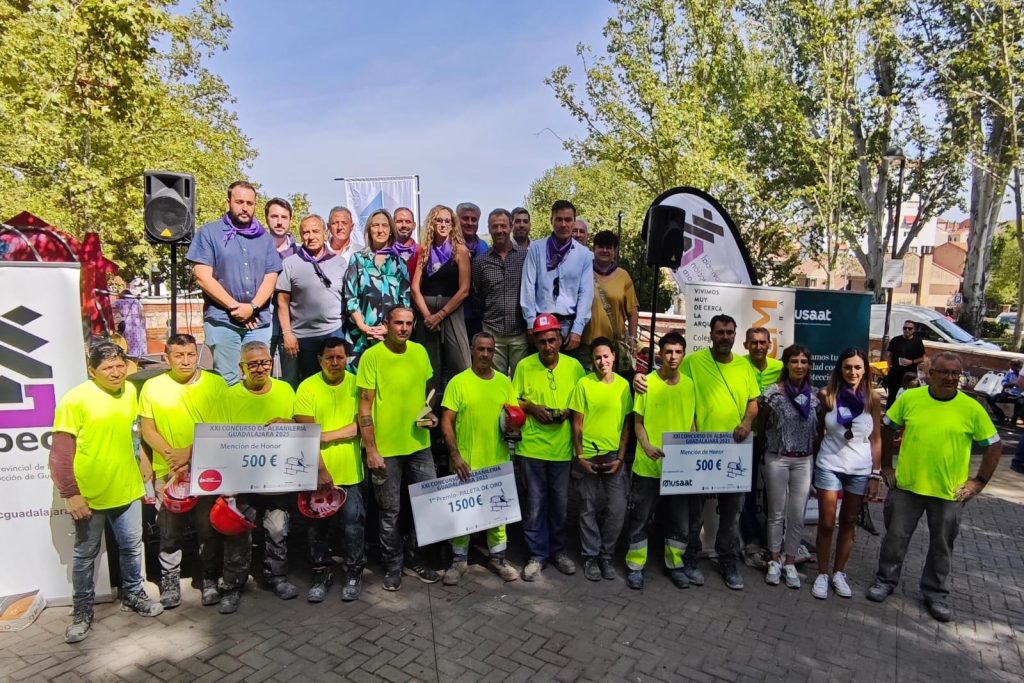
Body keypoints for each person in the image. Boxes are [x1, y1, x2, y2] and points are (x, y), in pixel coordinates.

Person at [868, 352, 1001, 622]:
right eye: (944, 372)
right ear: (930, 374)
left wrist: (979, 482)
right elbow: (887, 427)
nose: (951, 378)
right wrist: (886, 466)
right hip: (907, 486)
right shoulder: (910, 399)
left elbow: (994, 445)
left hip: (949, 492)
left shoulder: (971, 408)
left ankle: (935, 593)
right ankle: (885, 581)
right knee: (895, 539)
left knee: (942, 546)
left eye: (956, 373)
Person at [50, 343, 163, 643]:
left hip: (126, 488)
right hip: (90, 494)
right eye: (107, 368)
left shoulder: (129, 392)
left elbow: (132, 431)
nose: (115, 373)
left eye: (119, 365)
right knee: (85, 555)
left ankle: (133, 594)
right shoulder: (75, 400)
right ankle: (82, 611)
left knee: (131, 547)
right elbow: (60, 455)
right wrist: (71, 494)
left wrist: (142, 461)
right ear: (91, 371)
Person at [138, 335, 235, 612]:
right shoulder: (152, 387)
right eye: (178, 355)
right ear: (166, 357)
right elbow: (148, 429)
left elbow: (221, 428)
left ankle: (209, 578)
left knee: (207, 529)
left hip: (206, 471)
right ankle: (170, 581)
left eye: (191, 354)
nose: (185, 360)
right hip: (167, 472)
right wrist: (173, 458)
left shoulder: (216, 385)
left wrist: (188, 455)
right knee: (169, 531)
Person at [356, 306, 440, 590]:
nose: (403, 328)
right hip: (386, 449)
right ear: (386, 325)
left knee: (427, 505)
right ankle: (393, 565)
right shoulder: (372, 356)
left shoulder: (419, 352)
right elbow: (364, 406)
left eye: (408, 323)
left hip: (419, 445)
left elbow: (428, 393)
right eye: (398, 323)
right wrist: (370, 449)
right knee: (389, 512)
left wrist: (430, 413)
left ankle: (417, 558)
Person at [673, 315, 759, 590]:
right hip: (701, 448)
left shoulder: (744, 367)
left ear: (736, 335)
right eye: (720, 332)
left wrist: (746, 423)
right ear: (710, 334)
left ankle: (728, 561)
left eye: (729, 332)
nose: (725, 337)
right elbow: (681, 395)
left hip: (734, 450)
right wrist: (692, 426)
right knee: (694, 511)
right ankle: (691, 559)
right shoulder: (693, 362)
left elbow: (753, 403)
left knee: (732, 512)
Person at [440, 332, 521, 584]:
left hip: (497, 460)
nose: (485, 354)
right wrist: (455, 455)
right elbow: (446, 420)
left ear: (494, 352)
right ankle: (458, 562)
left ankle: (498, 559)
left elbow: (513, 417)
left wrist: (513, 428)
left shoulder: (504, 383)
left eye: (490, 350)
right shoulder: (458, 382)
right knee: (462, 515)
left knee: (498, 514)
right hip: (466, 462)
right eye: (481, 349)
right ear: (472, 350)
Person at [512, 313, 586, 581]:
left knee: (560, 504)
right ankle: (537, 555)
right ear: (534, 341)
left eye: (552, 340)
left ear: (560, 338)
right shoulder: (524, 366)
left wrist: (568, 411)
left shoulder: (575, 367)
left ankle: (559, 551)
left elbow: (583, 401)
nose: (548, 347)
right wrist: (531, 407)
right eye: (542, 341)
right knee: (534, 504)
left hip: (562, 449)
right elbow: (512, 400)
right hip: (531, 448)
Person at [187, 181, 282, 385]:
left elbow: (271, 276)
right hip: (223, 320)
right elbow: (202, 276)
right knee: (227, 380)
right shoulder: (209, 233)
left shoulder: (264, 238)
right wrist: (235, 307)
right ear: (228, 202)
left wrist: (252, 307)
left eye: (250, 202)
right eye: (239, 202)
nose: (245, 207)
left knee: (258, 379)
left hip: (258, 321)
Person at [223, 341, 297, 602]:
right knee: (239, 533)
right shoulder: (229, 396)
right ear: (241, 367)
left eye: (264, 362)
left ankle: (277, 577)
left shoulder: (286, 390)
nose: (260, 368)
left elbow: (301, 426)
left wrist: (288, 423)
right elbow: (217, 439)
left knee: (277, 529)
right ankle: (233, 585)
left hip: (278, 479)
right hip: (242, 481)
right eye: (252, 364)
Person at [294, 338, 366, 602]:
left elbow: (361, 426)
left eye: (340, 357)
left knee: (353, 526)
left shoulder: (357, 385)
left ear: (347, 358)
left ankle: (354, 573)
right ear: (319, 360)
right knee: (318, 530)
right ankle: (321, 574)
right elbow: (305, 434)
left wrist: (324, 436)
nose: (335, 363)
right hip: (317, 473)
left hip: (350, 473)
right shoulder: (307, 387)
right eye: (329, 358)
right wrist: (321, 470)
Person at [625, 332, 697, 590]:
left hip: (678, 469)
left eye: (678, 352)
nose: (673, 357)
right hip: (647, 466)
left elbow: (691, 422)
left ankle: (675, 565)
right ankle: (635, 566)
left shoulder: (689, 385)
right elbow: (638, 424)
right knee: (640, 518)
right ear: (660, 354)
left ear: (684, 354)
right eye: (668, 352)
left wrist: (689, 450)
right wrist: (646, 446)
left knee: (679, 520)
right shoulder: (646, 384)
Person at [812, 348, 882, 600]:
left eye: (857, 367)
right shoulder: (826, 395)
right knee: (827, 523)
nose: (852, 372)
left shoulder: (872, 399)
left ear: (865, 370)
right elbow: (819, 431)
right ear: (839, 370)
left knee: (849, 523)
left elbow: (875, 438)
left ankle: (839, 573)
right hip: (829, 465)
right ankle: (822, 573)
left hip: (860, 470)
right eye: (847, 367)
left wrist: (875, 475)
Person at [568, 337, 633, 581]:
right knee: (587, 508)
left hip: (614, 457)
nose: (602, 361)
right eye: (597, 357)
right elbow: (577, 424)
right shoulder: (583, 384)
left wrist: (620, 457)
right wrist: (580, 456)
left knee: (617, 508)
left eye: (606, 356)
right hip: (588, 456)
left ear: (614, 356)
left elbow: (626, 425)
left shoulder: (624, 386)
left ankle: (607, 556)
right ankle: (590, 556)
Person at [760, 344, 819, 590]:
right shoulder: (772, 394)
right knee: (776, 513)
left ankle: (791, 561)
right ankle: (774, 560)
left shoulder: (816, 395)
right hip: (777, 458)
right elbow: (762, 425)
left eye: (804, 362)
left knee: (797, 515)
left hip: (804, 460)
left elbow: (819, 431)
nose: (799, 366)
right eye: (794, 361)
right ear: (786, 364)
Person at [276, 214, 348, 386]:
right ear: (301, 236)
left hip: (334, 333)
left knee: (334, 383)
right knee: (304, 386)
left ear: (325, 233)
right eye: (306, 233)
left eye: (315, 231)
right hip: (301, 338)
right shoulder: (290, 263)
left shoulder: (340, 263)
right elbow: (282, 301)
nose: (311, 237)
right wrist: (287, 334)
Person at [520, 200, 594, 359]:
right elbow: (528, 286)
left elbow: (585, 294)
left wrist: (577, 329)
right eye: (559, 219)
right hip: (541, 323)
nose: (563, 224)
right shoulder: (536, 249)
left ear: (574, 221)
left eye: (568, 220)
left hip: (568, 326)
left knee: (566, 377)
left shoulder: (584, 255)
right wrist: (530, 322)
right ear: (551, 221)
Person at [410, 204, 472, 384]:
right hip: (426, 312)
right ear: (432, 223)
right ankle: (429, 410)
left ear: (453, 225)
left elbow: (464, 290)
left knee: (461, 364)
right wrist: (429, 316)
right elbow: (415, 288)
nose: (443, 224)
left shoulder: (460, 250)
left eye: (447, 221)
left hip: (451, 309)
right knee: (428, 368)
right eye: (439, 220)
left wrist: (441, 315)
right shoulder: (424, 251)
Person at [739, 327, 784, 566]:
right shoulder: (738, 365)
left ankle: (774, 538)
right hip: (744, 438)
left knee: (772, 490)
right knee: (745, 490)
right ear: (746, 345)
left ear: (770, 345)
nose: (758, 346)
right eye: (754, 342)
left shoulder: (780, 369)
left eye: (763, 342)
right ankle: (751, 539)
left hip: (772, 439)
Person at [343, 209, 411, 368]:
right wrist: (363, 326)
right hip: (360, 335)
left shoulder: (399, 263)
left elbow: (405, 302)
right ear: (369, 230)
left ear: (391, 231)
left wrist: (388, 328)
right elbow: (350, 297)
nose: (380, 230)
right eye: (375, 225)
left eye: (385, 226)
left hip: (390, 335)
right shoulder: (358, 259)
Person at [471, 208, 529, 376]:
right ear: (489, 229)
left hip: (520, 331)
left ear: (511, 226)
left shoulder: (525, 256)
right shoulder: (480, 261)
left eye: (503, 226)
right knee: (494, 380)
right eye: (494, 226)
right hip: (492, 331)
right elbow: (476, 294)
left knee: (521, 381)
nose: (499, 231)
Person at [581, 230, 638, 373]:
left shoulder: (623, 276)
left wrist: (632, 338)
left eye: (609, 247)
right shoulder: (583, 272)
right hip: (585, 346)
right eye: (601, 247)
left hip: (612, 347)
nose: (604, 250)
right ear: (594, 249)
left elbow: (632, 310)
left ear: (614, 250)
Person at [265, 198, 298, 382]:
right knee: (260, 373)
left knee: (291, 377)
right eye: (274, 216)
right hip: (263, 321)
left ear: (290, 220)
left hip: (291, 324)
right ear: (267, 218)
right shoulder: (257, 248)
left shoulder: (300, 252)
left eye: (284, 217)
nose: (279, 221)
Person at [457, 202, 489, 341]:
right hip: (456, 313)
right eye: (465, 218)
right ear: (457, 220)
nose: (470, 223)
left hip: (479, 316)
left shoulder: (485, 247)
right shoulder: (450, 246)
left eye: (474, 219)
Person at [884, 320, 926, 409]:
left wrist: (911, 361)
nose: (907, 330)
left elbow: (922, 358)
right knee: (892, 395)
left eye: (909, 328)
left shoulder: (917, 342)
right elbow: (889, 355)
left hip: (910, 375)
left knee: (908, 396)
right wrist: (889, 367)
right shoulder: (895, 340)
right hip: (895, 373)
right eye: (905, 328)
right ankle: (888, 417)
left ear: (914, 330)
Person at [984, 359, 1023, 425]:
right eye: (1011, 367)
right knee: (990, 398)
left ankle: (1013, 421)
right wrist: (1010, 384)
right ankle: (1001, 417)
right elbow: (1004, 382)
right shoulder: (1010, 372)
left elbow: (1021, 384)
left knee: (1020, 402)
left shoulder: (1022, 375)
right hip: (1008, 393)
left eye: (1013, 367)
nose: (1011, 368)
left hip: (1019, 395)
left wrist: (1017, 384)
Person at [392, 206, 421, 276]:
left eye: (408, 222)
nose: (404, 225)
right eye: (399, 221)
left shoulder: (422, 252)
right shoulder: (384, 251)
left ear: (414, 226)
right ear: (392, 224)